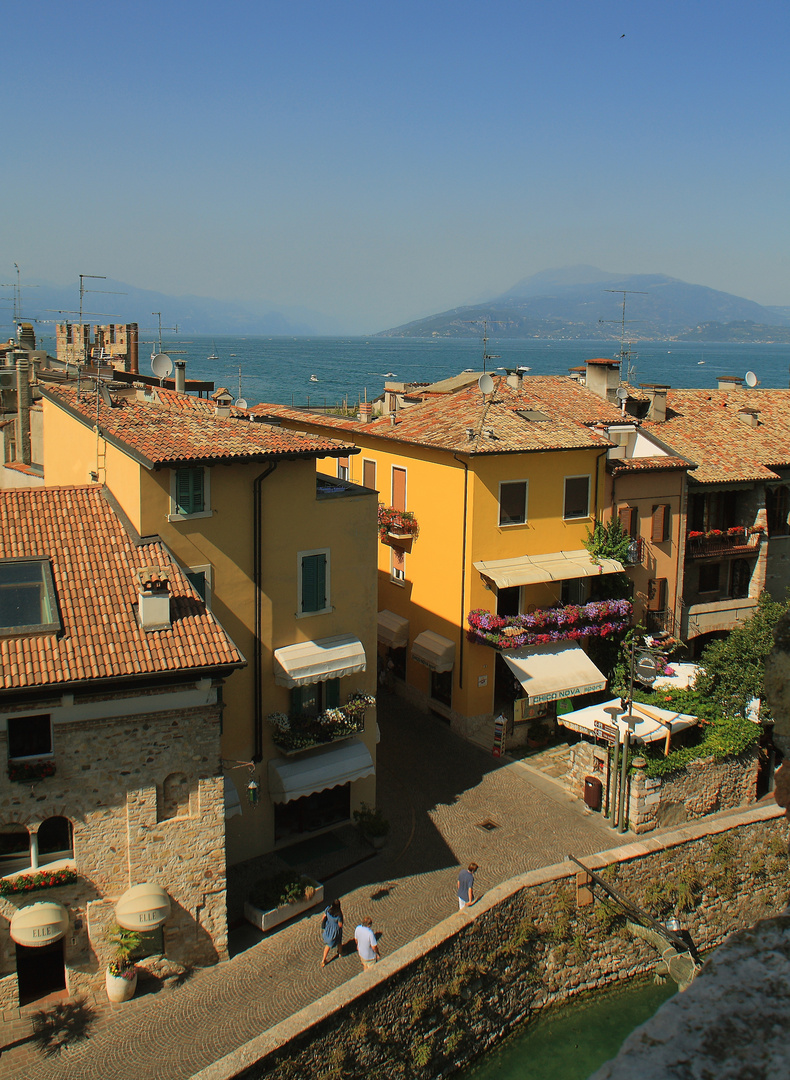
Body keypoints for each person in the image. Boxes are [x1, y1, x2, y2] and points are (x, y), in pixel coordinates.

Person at [320, 899, 344, 968]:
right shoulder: (339, 914)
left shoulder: (328, 909)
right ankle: (339, 953)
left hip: (329, 927)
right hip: (335, 931)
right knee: (335, 942)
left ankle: (339, 952)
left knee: (334, 942)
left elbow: (323, 917)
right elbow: (340, 925)